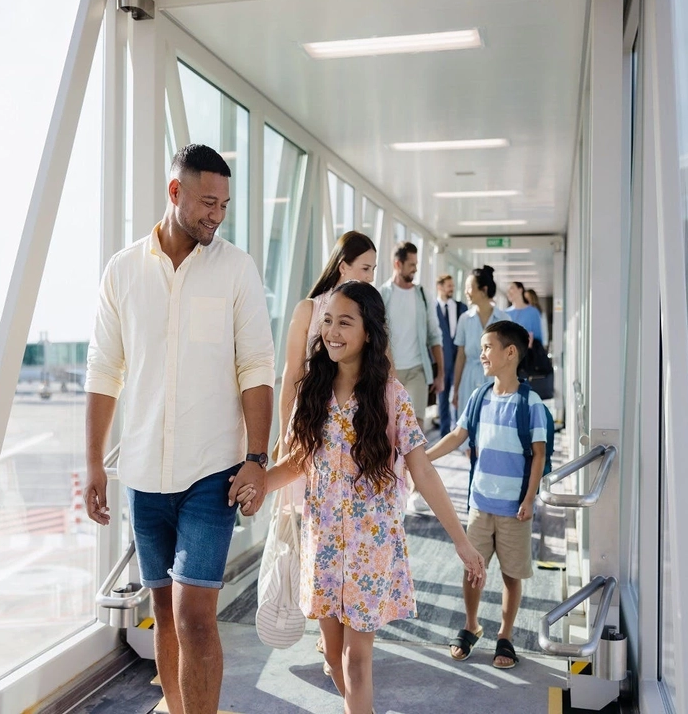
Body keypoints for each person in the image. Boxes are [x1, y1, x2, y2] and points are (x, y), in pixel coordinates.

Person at [83, 144, 275, 714]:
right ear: (175, 193)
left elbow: (256, 369)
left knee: (195, 616)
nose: (217, 214)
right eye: (207, 202)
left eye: (224, 204)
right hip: (143, 475)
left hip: (211, 473)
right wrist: (94, 460)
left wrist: (257, 459)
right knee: (163, 611)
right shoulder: (123, 270)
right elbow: (103, 371)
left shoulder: (236, 269)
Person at [233, 281, 485, 714]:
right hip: (324, 543)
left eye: (344, 322)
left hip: (371, 547)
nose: (332, 331)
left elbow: (422, 470)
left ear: (369, 331)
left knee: (356, 658)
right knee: (332, 657)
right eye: (327, 321)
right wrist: (257, 485)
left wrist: (462, 542)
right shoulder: (313, 390)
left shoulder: (390, 396)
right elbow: (297, 462)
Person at [425, 320, 546, 670]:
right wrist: (420, 459)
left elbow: (538, 454)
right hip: (480, 503)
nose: (481, 354)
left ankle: (505, 634)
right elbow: (457, 435)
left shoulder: (530, 403)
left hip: (513, 509)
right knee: (472, 569)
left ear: (510, 353)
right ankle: (471, 624)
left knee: (511, 574)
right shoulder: (479, 396)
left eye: (488, 347)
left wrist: (528, 499)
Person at [278, 231, 377, 463]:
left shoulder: (371, 315)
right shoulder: (308, 310)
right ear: (343, 267)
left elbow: (384, 370)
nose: (371, 277)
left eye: (373, 269)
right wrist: (284, 439)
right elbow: (292, 374)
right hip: (309, 425)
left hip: (357, 426)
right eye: (365, 268)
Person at [377, 241, 443, 430]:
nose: (415, 269)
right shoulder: (382, 295)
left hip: (417, 371)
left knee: (415, 428)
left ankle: (414, 461)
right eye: (412, 265)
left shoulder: (423, 295)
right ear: (398, 264)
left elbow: (434, 335)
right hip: (388, 371)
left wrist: (440, 374)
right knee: (390, 428)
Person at [452, 266, 510, 414]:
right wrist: (456, 389)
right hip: (468, 380)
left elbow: (510, 357)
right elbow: (460, 356)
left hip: (495, 380)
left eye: (469, 288)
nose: (466, 292)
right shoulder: (464, 319)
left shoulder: (503, 319)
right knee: (467, 427)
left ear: (483, 290)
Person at [435, 274, 467, 436]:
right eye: (448, 285)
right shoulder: (433, 309)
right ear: (439, 287)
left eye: (452, 286)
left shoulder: (461, 308)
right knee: (443, 396)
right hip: (442, 359)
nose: (452, 289)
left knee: (459, 394)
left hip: (459, 358)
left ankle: (459, 431)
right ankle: (444, 433)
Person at [505, 281, 544, 346]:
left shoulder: (533, 312)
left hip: (528, 352)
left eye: (511, 288)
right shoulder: (505, 313)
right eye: (507, 290)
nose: (508, 292)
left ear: (520, 290)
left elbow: (538, 337)